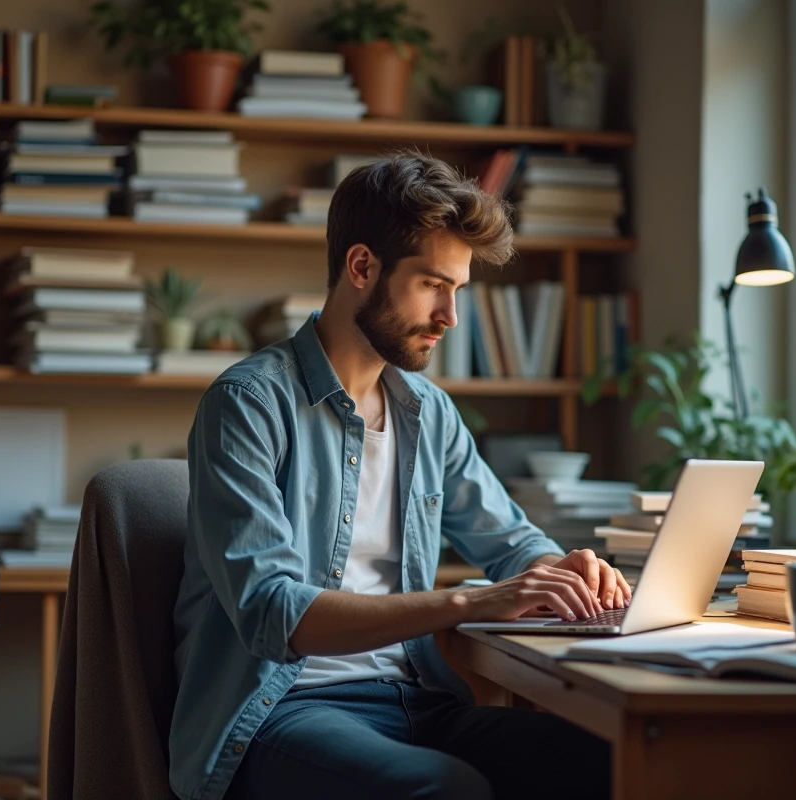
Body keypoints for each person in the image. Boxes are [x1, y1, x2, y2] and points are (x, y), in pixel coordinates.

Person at [170, 151, 632, 800]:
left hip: (417, 701)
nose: (450, 316)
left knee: (611, 767)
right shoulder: (248, 404)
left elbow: (510, 542)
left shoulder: (428, 412)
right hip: (281, 713)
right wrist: (467, 602)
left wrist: (566, 571)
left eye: (458, 291)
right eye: (432, 285)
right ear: (362, 267)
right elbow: (275, 612)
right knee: (445, 790)